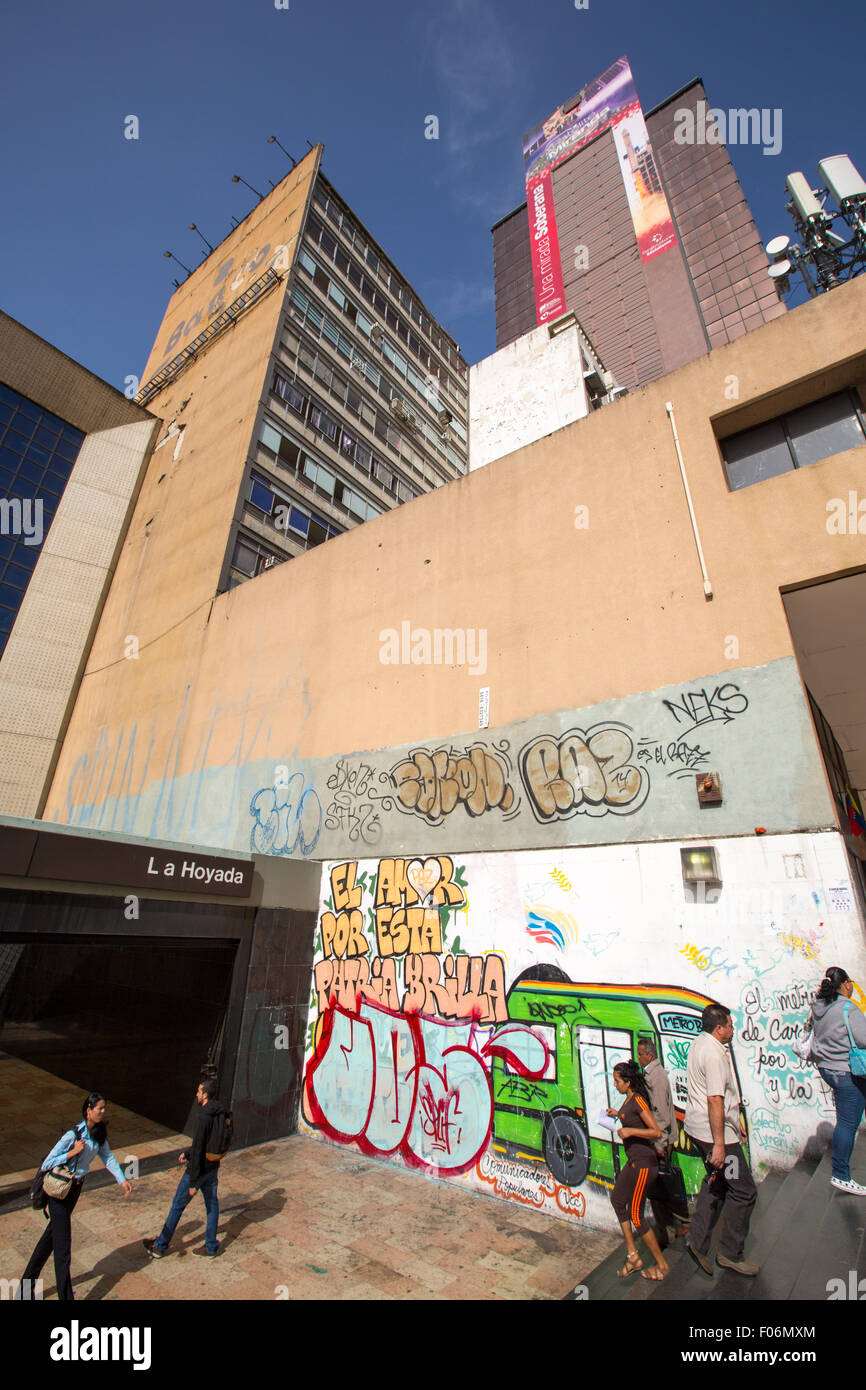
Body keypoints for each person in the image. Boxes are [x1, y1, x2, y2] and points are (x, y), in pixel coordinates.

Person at [20, 1091, 132, 1301]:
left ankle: (24, 1291)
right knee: (63, 1250)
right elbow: (47, 1163)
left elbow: (107, 1157)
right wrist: (70, 1153)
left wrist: (122, 1179)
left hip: (75, 1190)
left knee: (48, 1241)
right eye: (99, 1108)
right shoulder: (72, 1135)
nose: (103, 1111)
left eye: (104, 1108)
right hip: (59, 1191)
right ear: (88, 1111)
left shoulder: (99, 1134)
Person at [684, 1003, 758, 1277]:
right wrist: (719, 1143)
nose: (733, 1029)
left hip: (701, 1128)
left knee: (716, 1180)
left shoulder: (700, 1044)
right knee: (743, 1190)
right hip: (716, 1137)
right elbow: (714, 1099)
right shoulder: (714, 1055)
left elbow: (720, 1097)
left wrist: (735, 1122)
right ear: (719, 1028)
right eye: (730, 1025)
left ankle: (696, 1239)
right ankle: (730, 1253)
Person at [143, 1077, 228, 1259]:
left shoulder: (205, 1115)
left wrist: (193, 1182)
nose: (196, 1094)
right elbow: (206, 1141)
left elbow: (199, 1146)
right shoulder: (220, 1110)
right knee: (212, 1205)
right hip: (213, 1166)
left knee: (177, 1206)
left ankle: (160, 1246)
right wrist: (188, 1152)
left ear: (205, 1095)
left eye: (199, 1091)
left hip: (198, 1170)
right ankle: (211, 1246)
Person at [608, 1060, 670, 1282]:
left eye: (617, 1081)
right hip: (634, 1162)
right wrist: (617, 1114)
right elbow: (631, 1116)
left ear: (628, 1082)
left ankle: (662, 1266)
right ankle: (633, 1256)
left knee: (636, 1214)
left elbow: (654, 1132)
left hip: (645, 1164)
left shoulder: (639, 1101)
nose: (615, 1084)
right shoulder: (629, 1100)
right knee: (617, 1200)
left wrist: (630, 1131)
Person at [808, 965, 866, 1195]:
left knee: (846, 1117)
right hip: (846, 1071)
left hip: (827, 1069)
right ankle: (841, 1174)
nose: (852, 986)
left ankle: (841, 1171)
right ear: (844, 985)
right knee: (847, 1123)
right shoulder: (847, 1008)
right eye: (850, 982)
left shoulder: (819, 1006)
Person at [636, 1036, 689, 1245]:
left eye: (640, 1054)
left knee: (659, 1186)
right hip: (659, 1139)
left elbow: (660, 1115)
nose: (638, 1057)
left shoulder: (655, 1076)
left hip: (659, 1140)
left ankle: (671, 1226)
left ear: (649, 1055)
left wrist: (658, 1144)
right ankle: (669, 1225)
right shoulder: (652, 1073)